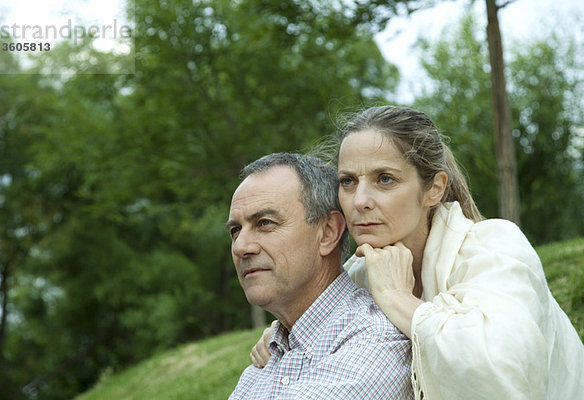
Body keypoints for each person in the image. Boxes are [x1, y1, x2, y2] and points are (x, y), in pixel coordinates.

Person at [250, 106, 584, 399]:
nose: (360, 200)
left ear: (434, 189)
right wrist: (283, 337)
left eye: (384, 179)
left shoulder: (493, 247)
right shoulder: (358, 272)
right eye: (348, 181)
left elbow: (502, 373)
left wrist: (397, 298)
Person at [226, 152, 413, 399]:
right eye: (236, 230)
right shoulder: (263, 363)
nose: (241, 247)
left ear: (327, 232)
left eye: (265, 223)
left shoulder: (377, 342)